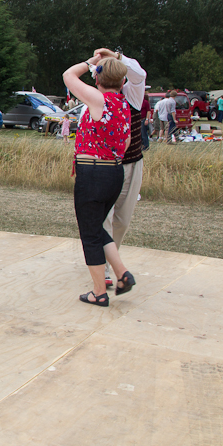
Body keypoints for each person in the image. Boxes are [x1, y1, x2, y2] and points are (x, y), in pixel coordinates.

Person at [62, 53, 134, 308]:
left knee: (89, 234)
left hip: (92, 173)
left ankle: (99, 292)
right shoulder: (123, 105)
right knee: (96, 227)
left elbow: (68, 75)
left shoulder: (98, 99)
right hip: (114, 172)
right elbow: (125, 142)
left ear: (98, 79)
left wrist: (90, 62)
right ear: (122, 82)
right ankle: (122, 273)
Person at [93, 49, 147, 289]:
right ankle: (103, 267)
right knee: (103, 218)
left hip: (132, 163)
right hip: (105, 166)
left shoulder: (131, 96)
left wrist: (116, 57)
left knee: (122, 220)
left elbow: (139, 75)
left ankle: (110, 259)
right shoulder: (95, 99)